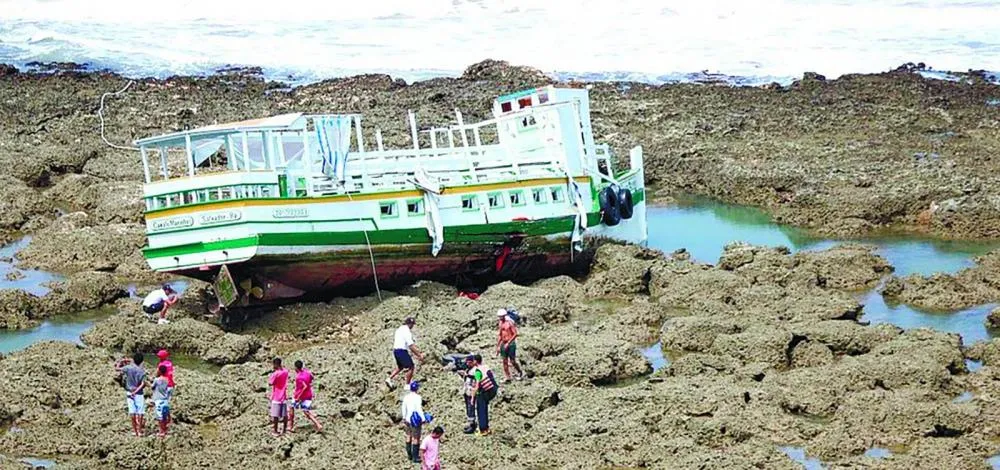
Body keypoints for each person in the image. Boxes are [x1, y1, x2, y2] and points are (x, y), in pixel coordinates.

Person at [386, 317, 425, 390]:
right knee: (411, 366)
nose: (412, 326)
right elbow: (411, 345)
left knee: (400, 367)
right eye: (412, 324)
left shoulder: (399, 329)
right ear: (410, 324)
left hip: (395, 350)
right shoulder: (407, 331)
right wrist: (419, 355)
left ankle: (389, 378)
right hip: (402, 350)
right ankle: (407, 385)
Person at [289, 360, 322, 432]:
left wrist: (298, 397)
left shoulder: (298, 377)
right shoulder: (307, 372)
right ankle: (318, 424)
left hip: (299, 395)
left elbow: (305, 386)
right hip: (308, 394)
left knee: (291, 407)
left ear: (296, 367)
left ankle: (290, 426)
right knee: (306, 412)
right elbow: (312, 377)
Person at [469, 354, 497, 436]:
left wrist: (472, 398)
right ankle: (486, 428)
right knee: (485, 408)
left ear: (475, 361)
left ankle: (483, 429)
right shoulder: (486, 367)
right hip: (493, 389)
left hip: (484, 391)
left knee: (481, 409)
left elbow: (477, 385)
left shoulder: (477, 371)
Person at [121, 352, 147, 437]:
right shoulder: (142, 371)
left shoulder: (128, 368)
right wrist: (135, 391)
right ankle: (140, 431)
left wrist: (121, 362)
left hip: (129, 392)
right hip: (139, 393)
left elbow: (117, 369)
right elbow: (143, 384)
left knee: (132, 412)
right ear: (141, 361)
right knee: (140, 412)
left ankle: (134, 431)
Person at [495, 308, 524, 382]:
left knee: (512, 361)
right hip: (503, 343)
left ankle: (520, 372)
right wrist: (498, 346)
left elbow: (515, 333)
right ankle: (507, 377)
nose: (500, 318)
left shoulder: (509, 323)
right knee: (504, 361)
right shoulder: (500, 323)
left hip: (511, 344)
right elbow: (500, 335)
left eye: (501, 316)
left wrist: (508, 343)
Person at [401, 381, 425, 464]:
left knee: (408, 436)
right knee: (416, 438)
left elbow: (403, 407)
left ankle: (409, 455)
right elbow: (419, 408)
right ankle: (415, 457)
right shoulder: (418, 397)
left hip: (407, 419)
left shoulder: (406, 397)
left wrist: (404, 417)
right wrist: (423, 418)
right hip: (415, 419)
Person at [268, 357, 289, 437]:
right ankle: (284, 430)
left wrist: (273, 373)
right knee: (284, 415)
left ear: (275, 364)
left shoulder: (275, 374)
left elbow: (270, 383)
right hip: (283, 396)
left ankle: (275, 431)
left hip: (276, 396)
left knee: (275, 415)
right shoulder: (285, 371)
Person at [151, 365, 171, 438]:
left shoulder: (156, 380)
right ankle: (164, 430)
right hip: (165, 399)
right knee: (164, 415)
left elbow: (152, 387)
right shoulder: (167, 380)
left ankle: (161, 431)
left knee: (160, 417)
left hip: (158, 399)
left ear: (159, 371)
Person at [462, 356, 477, 434]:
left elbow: (477, 381)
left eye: (469, 362)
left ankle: (472, 425)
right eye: (467, 362)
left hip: (472, 391)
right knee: (468, 407)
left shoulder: (476, 370)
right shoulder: (468, 369)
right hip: (466, 390)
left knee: (471, 408)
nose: (468, 364)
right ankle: (470, 423)